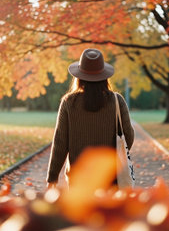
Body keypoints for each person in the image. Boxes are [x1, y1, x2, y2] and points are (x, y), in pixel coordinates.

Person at [46, 48, 134, 189]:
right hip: (111, 177)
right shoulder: (117, 101)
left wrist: (52, 178)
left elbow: (60, 143)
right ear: (105, 76)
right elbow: (128, 137)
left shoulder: (69, 102)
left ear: (79, 77)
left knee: (81, 210)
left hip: (78, 177)